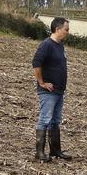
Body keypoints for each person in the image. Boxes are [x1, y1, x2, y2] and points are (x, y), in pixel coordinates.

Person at [31, 17, 72, 162]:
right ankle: (39, 153)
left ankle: (55, 150)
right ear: (58, 29)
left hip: (59, 91)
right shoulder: (46, 45)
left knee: (55, 121)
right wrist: (41, 82)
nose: (68, 32)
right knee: (45, 119)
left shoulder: (60, 46)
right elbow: (36, 63)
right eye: (66, 29)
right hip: (48, 92)